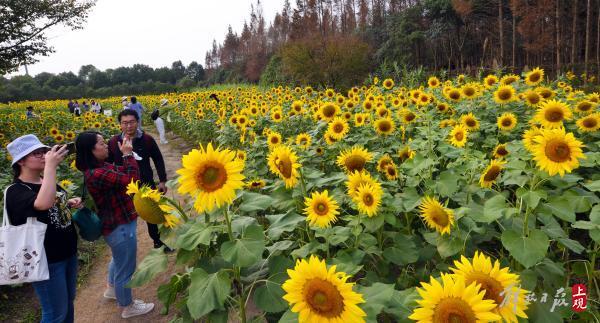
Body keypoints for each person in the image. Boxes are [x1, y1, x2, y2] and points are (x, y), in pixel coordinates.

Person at [75, 131, 154, 319]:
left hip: (116, 225)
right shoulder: (98, 173)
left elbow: (121, 174)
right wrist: (127, 155)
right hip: (120, 225)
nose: (106, 146)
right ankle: (127, 306)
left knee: (118, 260)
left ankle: (111, 289)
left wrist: (126, 159)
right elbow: (131, 180)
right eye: (101, 144)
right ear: (91, 150)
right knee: (126, 268)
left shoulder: (101, 167)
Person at [5, 134, 83, 323]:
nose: (43, 155)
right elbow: (42, 203)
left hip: (67, 253)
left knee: (68, 303)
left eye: (43, 151)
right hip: (46, 261)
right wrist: (50, 167)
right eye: (36, 153)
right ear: (21, 161)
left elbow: (51, 202)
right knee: (55, 313)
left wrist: (68, 202)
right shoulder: (16, 190)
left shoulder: (44, 180)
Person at [108, 109, 171, 251]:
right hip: (124, 187)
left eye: (131, 122)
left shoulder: (147, 139)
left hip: (146, 183)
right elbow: (107, 163)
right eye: (125, 123)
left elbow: (158, 159)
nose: (128, 126)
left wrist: (162, 180)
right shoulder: (113, 142)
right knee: (127, 217)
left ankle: (158, 242)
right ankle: (126, 248)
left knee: (153, 214)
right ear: (120, 125)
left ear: (137, 122)